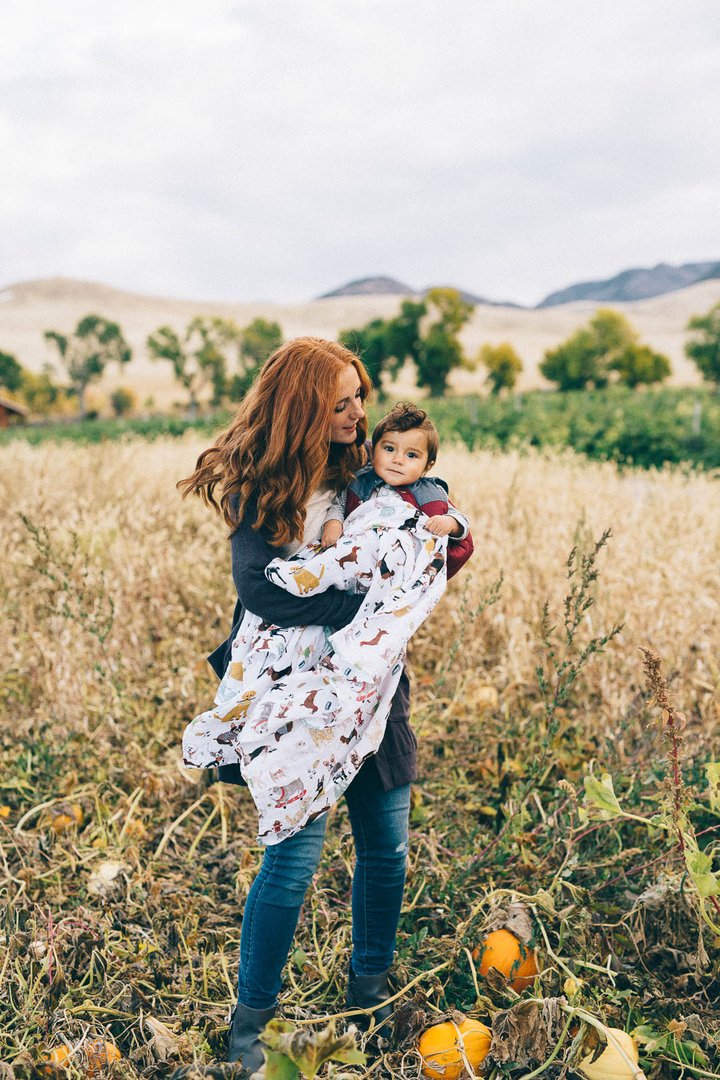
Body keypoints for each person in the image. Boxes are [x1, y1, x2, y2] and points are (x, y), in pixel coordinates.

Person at [176, 338, 473, 1075]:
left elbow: (430, 540)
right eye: (341, 402)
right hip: (299, 696)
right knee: (292, 862)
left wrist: (445, 535)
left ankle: (370, 990)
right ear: (305, 404)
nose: (357, 414)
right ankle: (253, 1023)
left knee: (388, 844)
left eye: (360, 398)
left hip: (375, 688)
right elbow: (263, 590)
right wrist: (366, 608)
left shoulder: (372, 474)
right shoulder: (263, 487)